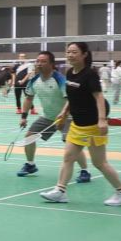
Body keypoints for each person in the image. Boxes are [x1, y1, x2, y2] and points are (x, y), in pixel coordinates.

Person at [40, 42, 121, 206]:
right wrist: (64, 112)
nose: (70, 55)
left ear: (84, 54)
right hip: (77, 125)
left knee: (99, 163)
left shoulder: (90, 75)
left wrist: (102, 120)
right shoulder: (70, 73)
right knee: (68, 158)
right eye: (68, 52)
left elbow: (99, 97)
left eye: (74, 52)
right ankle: (60, 192)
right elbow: (72, 97)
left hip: (92, 126)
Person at [17, 50, 91, 181]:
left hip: (67, 116)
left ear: (52, 64)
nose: (39, 64)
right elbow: (28, 98)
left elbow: (70, 99)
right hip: (48, 116)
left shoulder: (59, 79)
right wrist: (24, 117)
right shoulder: (34, 80)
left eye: (43, 61)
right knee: (29, 137)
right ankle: (30, 164)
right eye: (38, 61)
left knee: (72, 144)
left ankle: (85, 171)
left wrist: (63, 115)